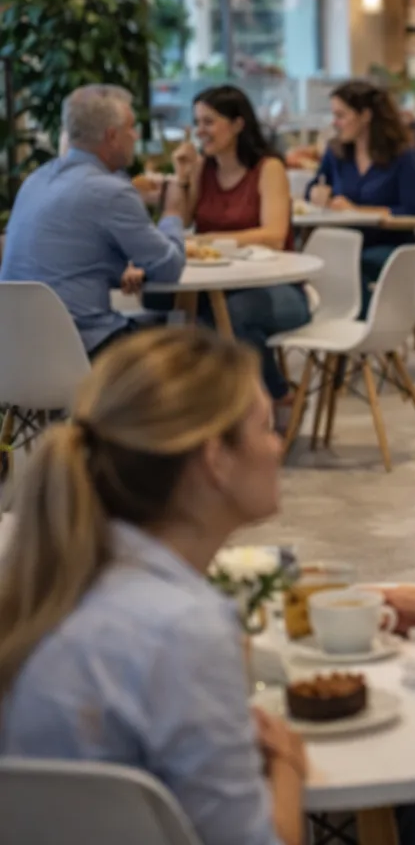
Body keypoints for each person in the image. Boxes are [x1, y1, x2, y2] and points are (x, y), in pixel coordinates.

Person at [0, 326, 308, 845]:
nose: (279, 445)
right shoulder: (184, 627)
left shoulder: (49, 581)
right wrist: (289, 768)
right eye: (265, 427)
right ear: (216, 459)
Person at [0, 85, 186, 356]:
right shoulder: (110, 191)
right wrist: (172, 213)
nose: (136, 136)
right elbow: (169, 268)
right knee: (187, 343)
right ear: (112, 136)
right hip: (82, 349)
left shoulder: (35, 180)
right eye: (131, 128)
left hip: (15, 355)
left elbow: (72, 266)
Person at [155, 85, 310, 402]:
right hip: (218, 286)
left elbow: (274, 235)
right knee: (160, 307)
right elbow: (181, 222)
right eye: (197, 123)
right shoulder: (203, 169)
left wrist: (211, 240)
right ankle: (230, 403)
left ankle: (265, 397)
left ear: (238, 124)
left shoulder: (268, 168)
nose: (200, 132)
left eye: (209, 122)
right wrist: (182, 176)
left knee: (230, 315)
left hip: (279, 287)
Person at [306, 80, 415, 307]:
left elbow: (409, 212)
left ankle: (363, 331)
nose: (335, 123)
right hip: (345, 242)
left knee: (349, 265)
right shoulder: (336, 152)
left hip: (390, 246)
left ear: (366, 116)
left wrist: (356, 210)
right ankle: (333, 327)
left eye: (341, 115)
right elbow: (313, 186)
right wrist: (315, 193)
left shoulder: (401, 157)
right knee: (314, 261)